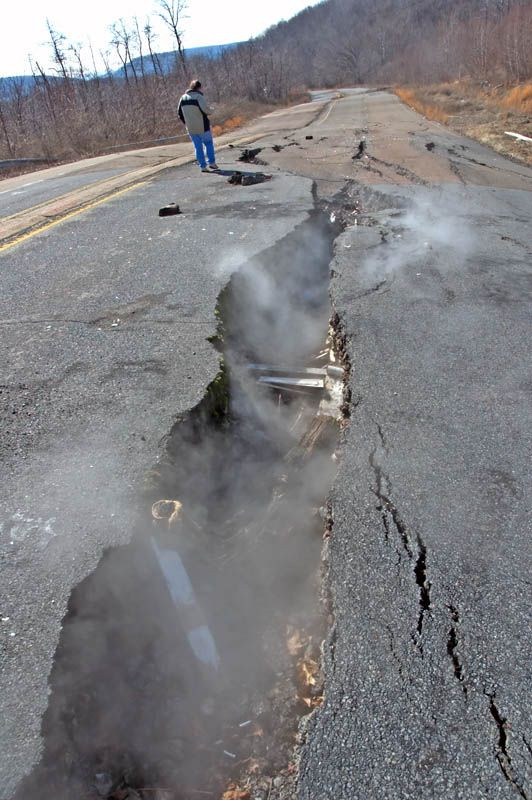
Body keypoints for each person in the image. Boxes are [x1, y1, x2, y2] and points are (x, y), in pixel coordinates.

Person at [178, 79, 219, 173]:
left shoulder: (182, 98)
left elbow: (179, 113)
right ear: (199, 88)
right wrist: (212, 110)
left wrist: (186, 123)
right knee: (208, 143)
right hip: (203, 126)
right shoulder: (199, 97)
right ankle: (212, 163)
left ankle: (203, 166)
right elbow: (206, 110)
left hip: (190, 128)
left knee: (198, 147)